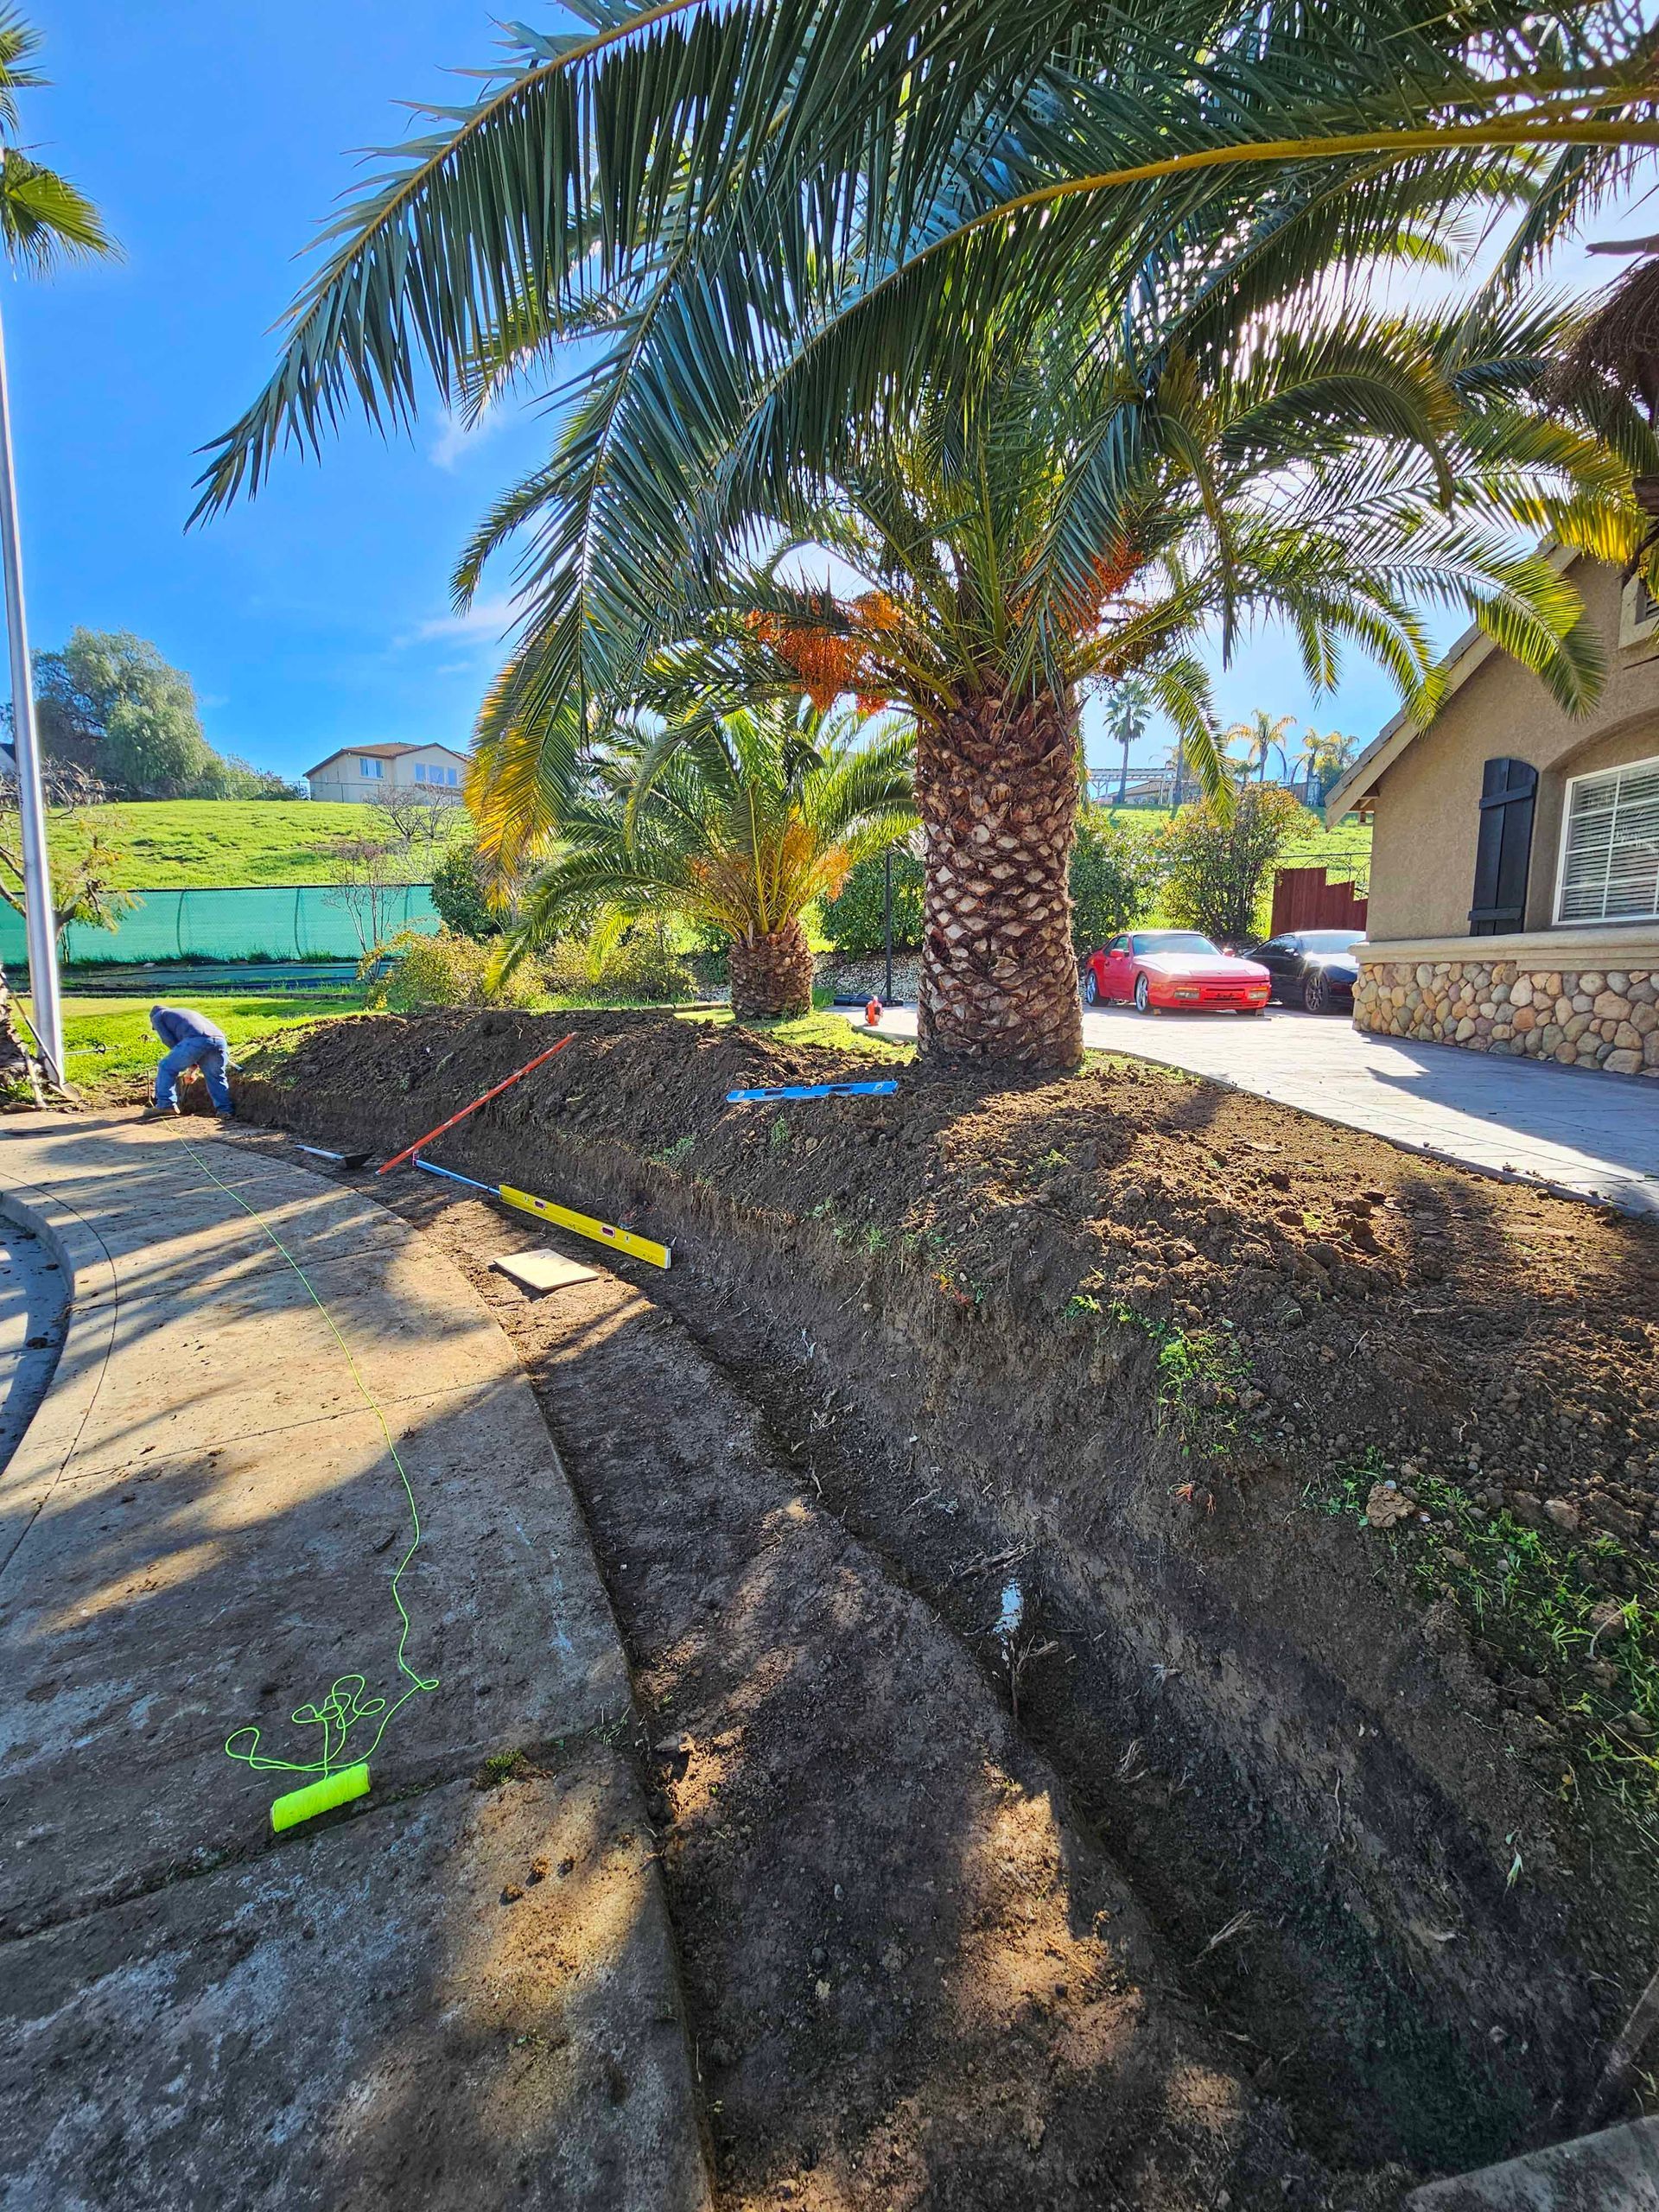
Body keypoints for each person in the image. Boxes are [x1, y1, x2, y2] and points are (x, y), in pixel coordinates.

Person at [142, 1004, 233, 1120]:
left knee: (166, 1066)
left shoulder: (158, 1016)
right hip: (219, 1041)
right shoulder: (183, 1013)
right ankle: (225, 1111)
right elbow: (202, 1043)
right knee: (215, 1076)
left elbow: (169, 1040)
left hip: (196, 1039)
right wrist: (192, 1068)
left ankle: (166, 1105)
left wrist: (185, 1061)